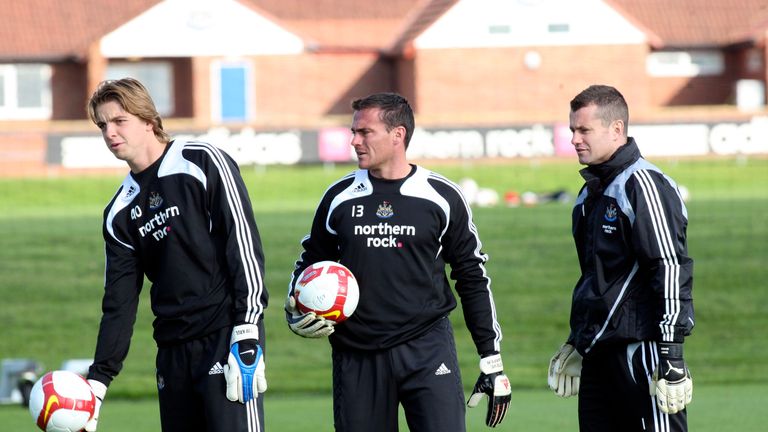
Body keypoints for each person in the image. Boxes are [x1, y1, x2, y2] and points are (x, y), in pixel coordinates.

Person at [285, 92, 511, 431]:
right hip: (357, 353)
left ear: (398, 134)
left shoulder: (441, 196)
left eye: (365, 133)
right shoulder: (339, 197)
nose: (354, 141)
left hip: (427, 348)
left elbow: (472, 276)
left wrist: (491, 359)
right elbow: (310, 261)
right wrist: (296, 310)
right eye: (353, 132)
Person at [84, 78, 268, 432]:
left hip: (226, 338)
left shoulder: (201, 161)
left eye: (119, 121)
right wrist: (98, 381)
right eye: (102, 125)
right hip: (171, 353)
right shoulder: (119, 212)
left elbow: (242, 243)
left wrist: (247, 328)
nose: (110, 133)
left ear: (147, 120)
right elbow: (119, 304)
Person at [547, 84, 694, 431]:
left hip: (642, 352)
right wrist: (577, 337)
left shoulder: (643, 185)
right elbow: (597, 280)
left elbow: (669, 267)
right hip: (597, 355)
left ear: (616, 130)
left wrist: (670, 353)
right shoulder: (589, 195)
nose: (574, 140)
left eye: (584, 130)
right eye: (572, 130)